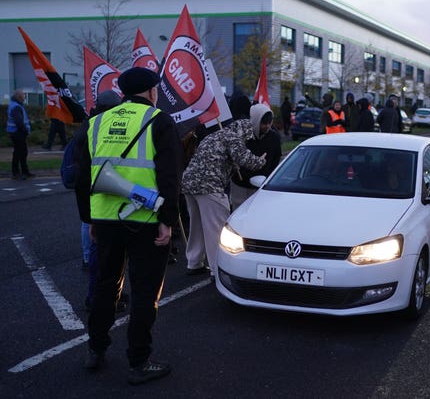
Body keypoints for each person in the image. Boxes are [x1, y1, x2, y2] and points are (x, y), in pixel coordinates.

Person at [77, 67, 182, 385]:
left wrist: (90, 219)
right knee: (144, 291)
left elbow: (84, 178)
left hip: (106, 219)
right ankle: (139, 361)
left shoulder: (95, 123)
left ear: (122, 91)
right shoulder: (159, 121)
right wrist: (168, 222)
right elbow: (170, 176)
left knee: (105, 286)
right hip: (146, 220)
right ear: (152, 92)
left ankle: (95, 350)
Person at [181, 118, 266, 278]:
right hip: (209, 186)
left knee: (197, 226)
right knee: (216, 229)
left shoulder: (213, 136)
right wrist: (260, 161)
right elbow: (246, 160)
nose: (247, 141)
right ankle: (217, 268)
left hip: (189, 183)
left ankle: (194, 262)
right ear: (245, 131)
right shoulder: (233, 137)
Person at [72, 90, 128, 312]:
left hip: (97, 199)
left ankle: (108, 294)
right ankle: (97, 298)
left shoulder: (89, 125)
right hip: (103, 198)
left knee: (106, 255)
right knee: (104, 256)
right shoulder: (98, 127)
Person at [230, 103, 282, 210]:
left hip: (262, 186)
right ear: (255, 121)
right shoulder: (242, 135)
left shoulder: (274, 137)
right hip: (240, 184)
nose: (267, 126)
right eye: (263, 123)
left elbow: (276, 159)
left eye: (269, 123)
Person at [6, 89, 34, 180]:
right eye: (23, 95)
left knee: (22, 152)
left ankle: (24, 172)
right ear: (19, 96)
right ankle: (16, 173)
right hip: (17, 132)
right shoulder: (17, 107)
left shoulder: (15, 105)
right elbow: (19, 122)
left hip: (16, 132)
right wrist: (26, 131)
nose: (24, 96)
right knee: (19, 153)